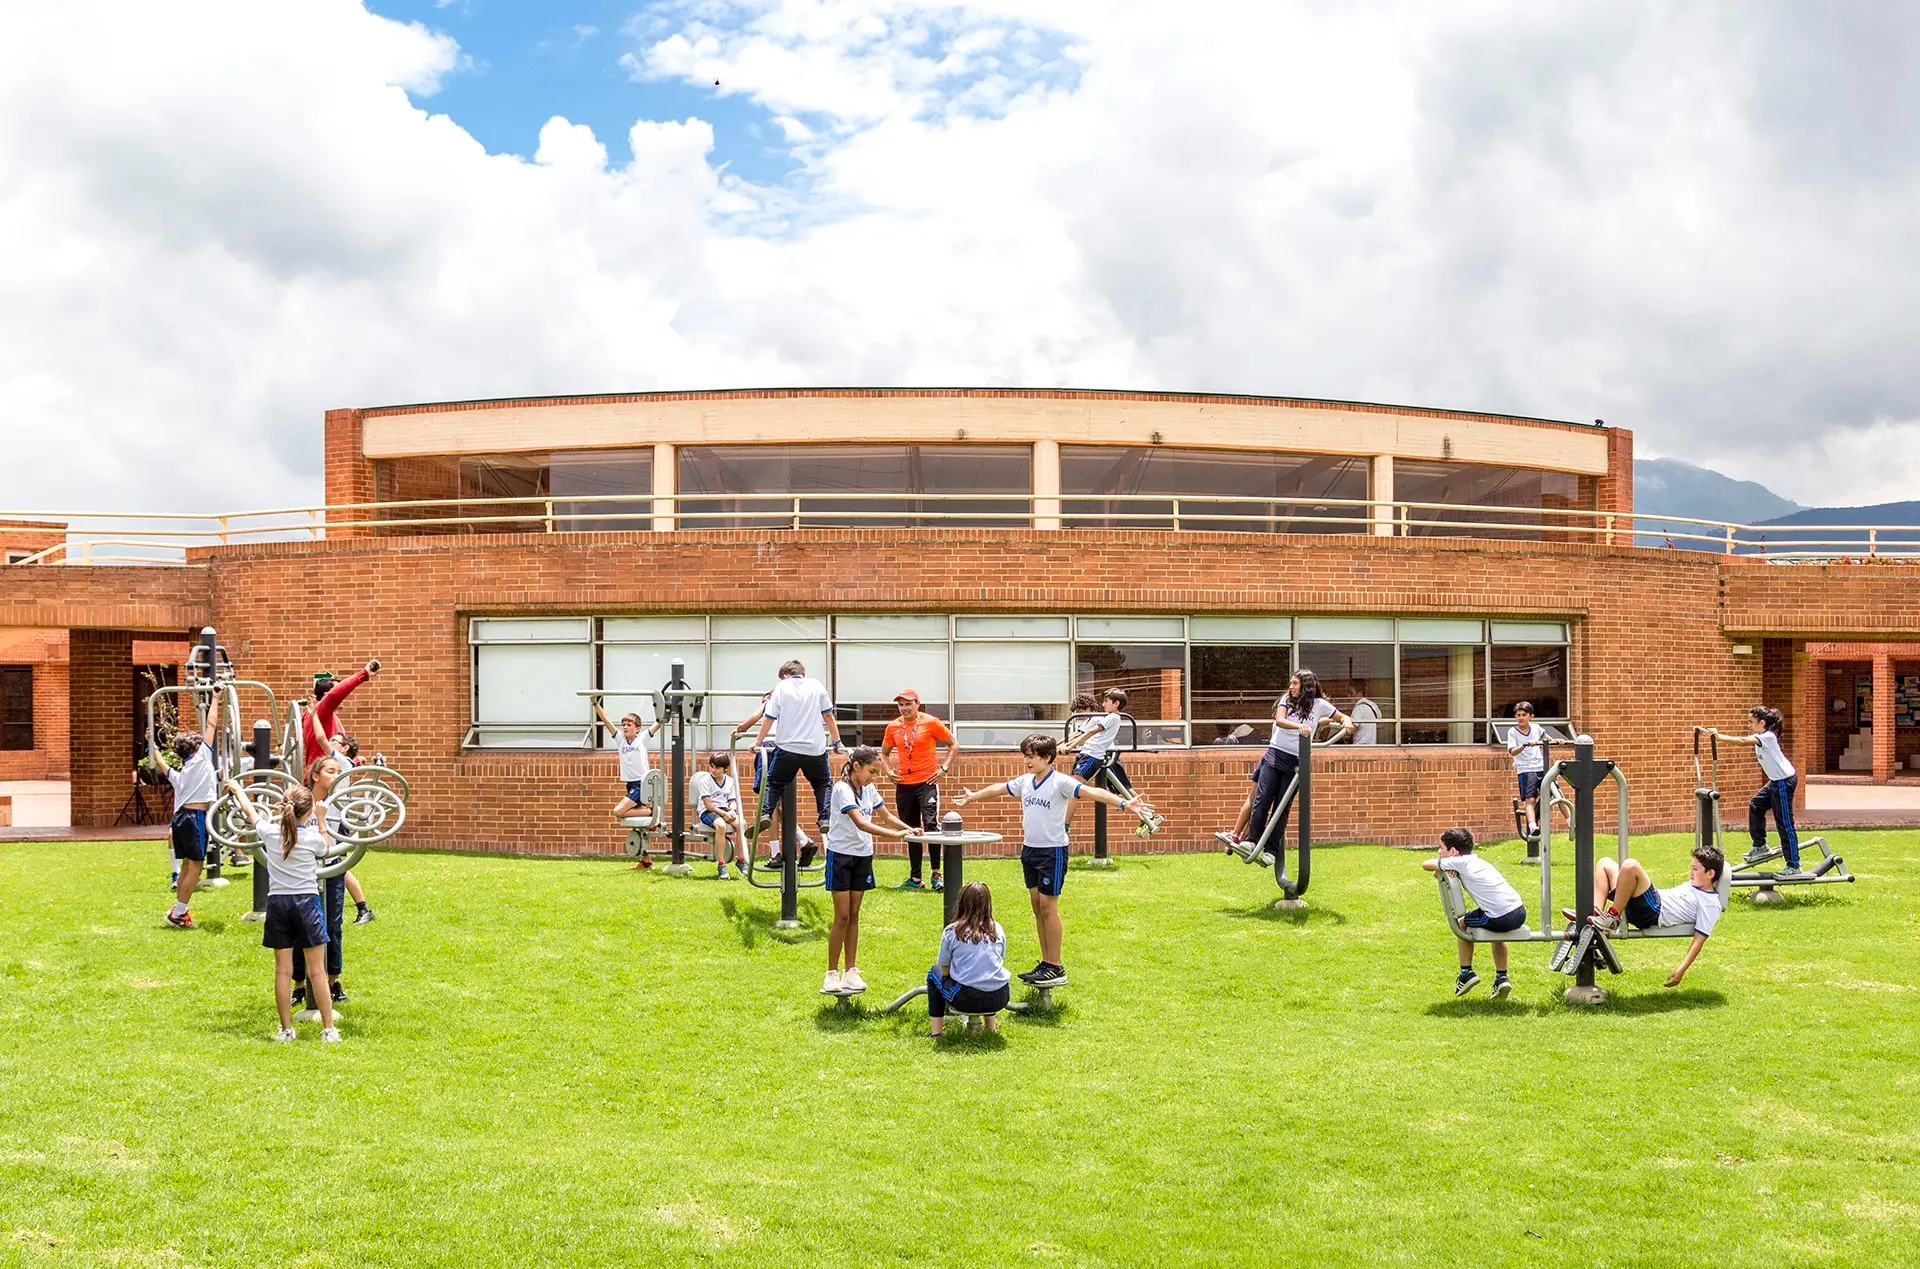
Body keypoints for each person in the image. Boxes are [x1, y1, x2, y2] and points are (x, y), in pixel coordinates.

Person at [954, 734, 1153, 989]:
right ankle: (1045, 963)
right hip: (1030, 851)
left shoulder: (1060, 782)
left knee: (1049, 907)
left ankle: (1055, 965)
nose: (1026, 761)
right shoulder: (1026, 781)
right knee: (1037, 908)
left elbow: (1093, 791)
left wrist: (1125, 803)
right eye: (1024, 756)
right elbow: (999, 788)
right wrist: (974, 797)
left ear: (1047, 758)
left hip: (1052, 852)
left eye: (1031, 756)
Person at [226, 778, 340, 1042]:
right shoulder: (311, 836)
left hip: (278, 904)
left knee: (283, 971)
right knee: (316, 971)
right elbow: (326, 849)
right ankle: (328, 1029)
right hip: (306, 903)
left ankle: (286, 1029)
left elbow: (250, 812)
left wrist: (238, 790)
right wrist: (322, 820)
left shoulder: (270, 832)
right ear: (309, 811)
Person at [1220, 670, 1352, 860]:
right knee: (1262, 798)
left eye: (1295, 683)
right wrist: (1299, 727)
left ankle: (1270, 851)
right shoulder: (1286, 699)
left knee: (1282, 807)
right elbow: (1280, 720)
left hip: (1297, 761)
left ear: (1306, 686)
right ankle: (1252, 841)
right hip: (1275, 754)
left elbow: (1341, 717)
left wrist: (1347, 721)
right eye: (1291, 683)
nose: (1291, 687)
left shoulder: (1319, 705)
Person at [821, 746, 912, 996]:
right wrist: (895, 835)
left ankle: (850, 971)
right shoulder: (841, 789)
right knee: (841, 916)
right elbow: (861, 822)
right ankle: (831, 973)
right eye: (871, 771)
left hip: (863, 856)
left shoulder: (869, 789)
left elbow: (886, 815)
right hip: (841, 856)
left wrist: (909, 828)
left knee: (854, 914)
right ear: (856, 767)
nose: (874, 776)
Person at [1577, 845, 1726, 987]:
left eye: (1695, 869)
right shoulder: (1694, 885)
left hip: (1653, 911)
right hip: (1645, 902)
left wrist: (1680, 971)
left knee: (1631, 866)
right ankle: (1596, 914)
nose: (1690, 873)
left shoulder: (1710, 903)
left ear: (1710, 874)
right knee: (1605, 864)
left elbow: (1699, 941)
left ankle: (1613, 917)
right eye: (1690, 868)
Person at [751, 660, 844, 871]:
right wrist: (837, 742)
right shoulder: (818, 685)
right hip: (815, 749)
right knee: (822, 784)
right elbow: (828, 715)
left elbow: (769, 717)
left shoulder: (781, 688)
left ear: (784, 676)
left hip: (788, 748)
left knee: (773, 783)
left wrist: (758, 742)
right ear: (802, 673)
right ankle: (824, 817)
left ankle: (765, 813)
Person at [1422, 827, 1524, 997]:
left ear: (1453, 851)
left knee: (1462, 925)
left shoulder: (1459, 862)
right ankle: (1501, 977)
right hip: (1519, 911)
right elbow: (1436, 873)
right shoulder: (1476, 861)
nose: (1438, 851)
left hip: (1500, 917)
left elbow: (1426, 864)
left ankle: (1466, 974)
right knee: (1498, 934)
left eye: (1441, 848)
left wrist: (1447, 866)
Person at [291, 754, 352, 1012]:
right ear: (315, 776)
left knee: (332, 925)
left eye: (338, 771)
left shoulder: (340, 803)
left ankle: (333, 981)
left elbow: (348, 837)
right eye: (330, 771)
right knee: (299, 928)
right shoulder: (302, 802)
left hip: (332, 871)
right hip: (303, 873)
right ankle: (299, 984)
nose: (336, 775)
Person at [1707, 708, 1802, 875]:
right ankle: (1760, 846)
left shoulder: (1767, 737)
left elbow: (1743, 741)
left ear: (1762, 723)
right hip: (1775, 781)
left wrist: (1718, 736)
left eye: (1751, 722)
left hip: (1784, 782)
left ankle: (1794, 866)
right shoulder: (1762, 737)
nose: (1748, 725)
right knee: (1756, 805)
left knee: (1784, 823)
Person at [882, 688, 959, 890]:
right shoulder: (893, 727)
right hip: (904, 785)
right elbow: (884, 753)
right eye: (901, 704)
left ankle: (936, 874)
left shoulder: (931, 722)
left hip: (927, 783)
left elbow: (954, 744)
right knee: (910, 828)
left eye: (908, 703)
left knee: (931, 825)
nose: (904, 708)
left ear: (917, 704)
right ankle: (915, 879)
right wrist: (889, 771)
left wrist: (944, 768)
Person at [153, 702, 218, 929]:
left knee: (187, 865)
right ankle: (178, 914)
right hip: (194, 817)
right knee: (197, 866)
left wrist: (152, 745)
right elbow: (211, 724)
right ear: (196, 749)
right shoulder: (201, 759)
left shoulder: (181, 774)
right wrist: (216, 698)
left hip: (180, 818)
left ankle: (177, 909)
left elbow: (161, 764)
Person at [1064, 686, 1163, 836]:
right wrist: (1062, 745)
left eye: (1080, 711)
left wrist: (1069, 746)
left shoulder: (1101, 718)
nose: (1079, 715)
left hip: (1105, 755)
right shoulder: (1095, 718)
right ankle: (1147, 816)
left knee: (1121, 787)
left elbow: (1084, 735)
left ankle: (1148, 815)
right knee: (1120, 788)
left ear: (1088, 708)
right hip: (1098, 754)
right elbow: (1075, 735)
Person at [926, 881, 1011, 1037]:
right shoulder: (997, 928)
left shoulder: (952, 931)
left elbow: (944, 969)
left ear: (962, 903)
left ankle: (936, 1032)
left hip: (967, 999)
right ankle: (990, 1029)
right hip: (1000, 996)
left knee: (933, 973)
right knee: (987, 971)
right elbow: (999, 959)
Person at [300, 660, 382, 767]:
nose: (342, 697)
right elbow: (334, 695)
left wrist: (355, 761)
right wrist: (364, 673)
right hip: (322, 778)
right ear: (326, 696)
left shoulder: (321, 716)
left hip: (330, 774)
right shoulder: (319, 711)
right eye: (340, 693)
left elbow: (336, 756)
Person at [1503, 703, 1566, 842]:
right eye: (1518, 715)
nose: (1521, 718)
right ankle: (1532, 826)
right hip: (1526, 769)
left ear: (1531, 716)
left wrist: (1556, 741)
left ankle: (1571, 821)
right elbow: (1512, 751)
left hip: (1541, 767)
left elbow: (1546, 737)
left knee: (1558, 794)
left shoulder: (1536, 728)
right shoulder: (1513, 732)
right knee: (1530, 800)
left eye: (1524, 715)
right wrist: (1525, 745)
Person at [691, 750, 749, 880]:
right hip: (709, 812)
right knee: (721, 826)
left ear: (725, 768)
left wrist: (732, 811)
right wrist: (724, 814)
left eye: (717, 767)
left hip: (725, 810)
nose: (713, 770)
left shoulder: (729, 781)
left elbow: (732, 801)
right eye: (711, 766)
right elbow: (708, 805)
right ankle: (721, 865)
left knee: (742, 824)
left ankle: (741, 860)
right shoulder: (705, 781)